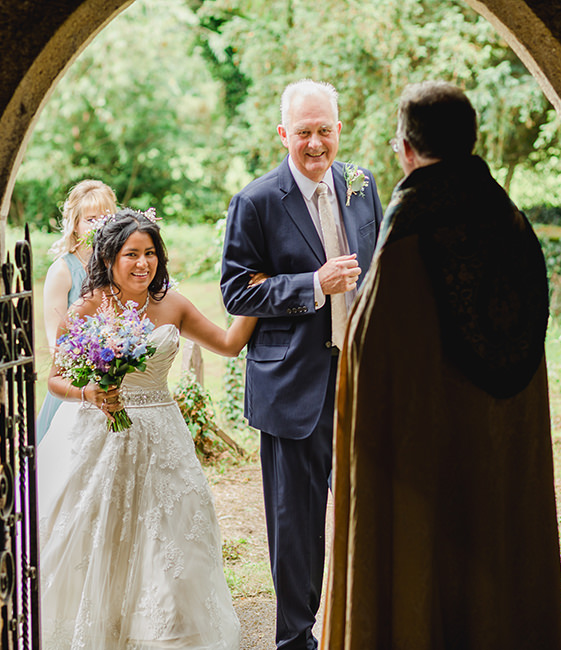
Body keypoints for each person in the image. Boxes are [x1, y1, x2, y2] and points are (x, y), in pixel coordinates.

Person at [321, 81, 561, 649]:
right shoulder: (514, 227)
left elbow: (374, 372)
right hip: (503, 459)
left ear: (406, 150)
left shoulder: (409, 242)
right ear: (471, 141)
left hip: (426, 474)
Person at [38, 208, 259, 650]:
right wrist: (92, 395)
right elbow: (55, 378)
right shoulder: (89, 305)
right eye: (131, 254)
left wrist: (257, 295)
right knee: (103, 534)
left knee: (175, 535)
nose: (143, 264)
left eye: (151, 253)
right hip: (101, 437)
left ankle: (168, 635)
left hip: (163, 436)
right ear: (109, 258)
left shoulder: (172, 303)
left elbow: (230, 345)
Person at [220, 79, 383, 650]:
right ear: (283, 134)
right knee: (296, 524)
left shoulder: (362, 187)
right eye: (303, 132)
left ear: (339, 129)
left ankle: (364, 625)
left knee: (371, 508)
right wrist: (311, 284)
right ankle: (295, 639)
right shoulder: (256, 201)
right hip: (293, 385)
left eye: (324, 130)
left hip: (362, 380)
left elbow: (381, 265)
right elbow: (237, 292)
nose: (315, 143)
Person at [34, 179, 118, 445]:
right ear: (76, 223)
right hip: (77, 381)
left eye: (106, 218)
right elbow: (56, 342)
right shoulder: (62, 270)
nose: (99, 225)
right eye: (91, 219)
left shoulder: (119, 264)